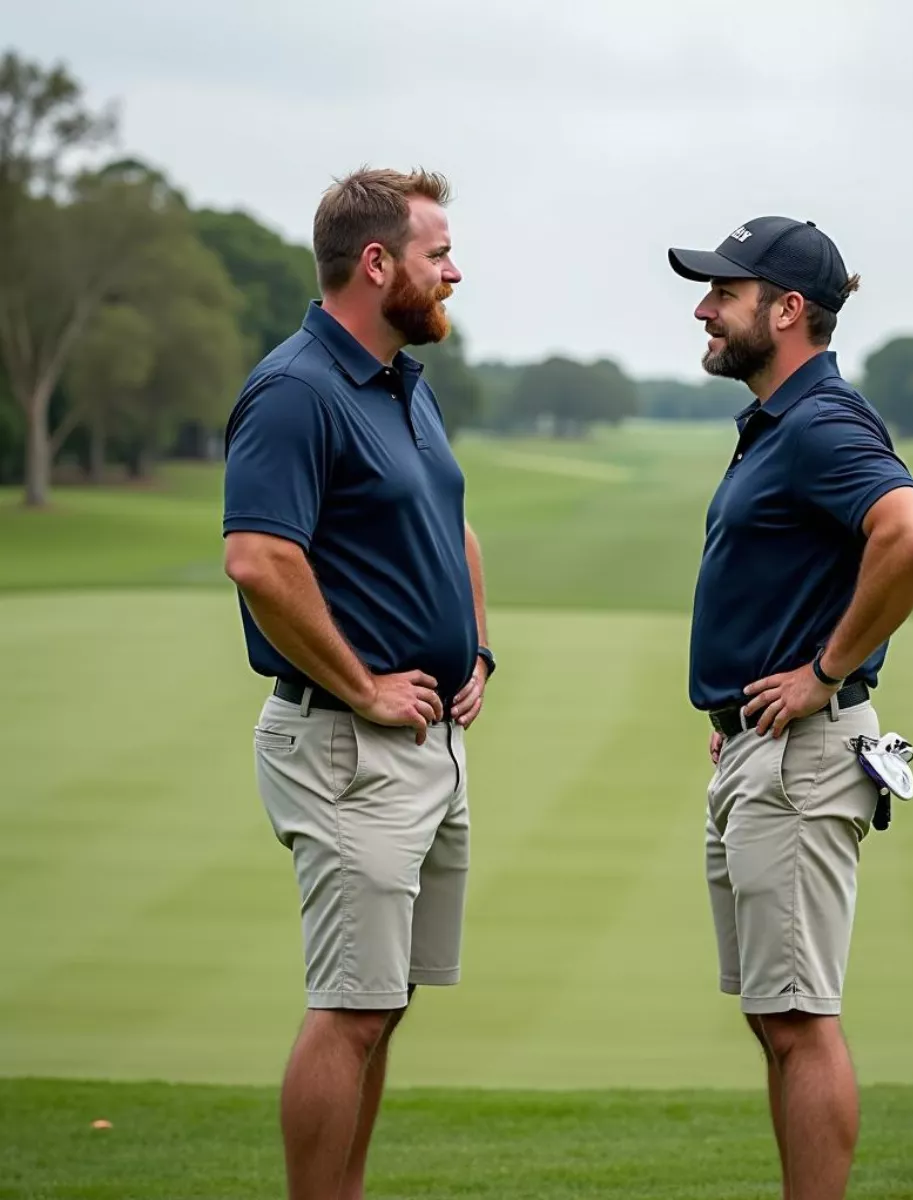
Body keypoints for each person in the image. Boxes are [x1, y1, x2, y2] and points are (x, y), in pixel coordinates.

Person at [222, 167, 495, 1200]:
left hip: (423, 749)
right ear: (376, 264)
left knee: (382, 1004)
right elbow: (259, 560)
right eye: (438, 255)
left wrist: (476, 647)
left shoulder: (399, 383)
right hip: (346, 745)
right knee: (350, 1006)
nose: (454, 272)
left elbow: (448, 520)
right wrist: (367, 688)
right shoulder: (297, 388)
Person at [667, 216, 913, 1200]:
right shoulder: (784, 421)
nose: (702, 308)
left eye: (723, 294)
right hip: (760, 752)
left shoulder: (821, 422)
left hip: (803, 756)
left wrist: (823, 673)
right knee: (774, 1014)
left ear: (787, 311)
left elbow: (911, 535)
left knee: (799, 1019)